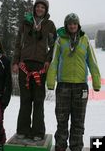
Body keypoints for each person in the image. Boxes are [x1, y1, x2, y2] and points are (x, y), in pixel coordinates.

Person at [47, 13, 101, 151]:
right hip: (63, 85)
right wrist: (51, 81)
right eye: (70, 23)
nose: (72, 26)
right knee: (62, 119)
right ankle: (60, 146)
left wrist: (96, 82)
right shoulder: (60, 40)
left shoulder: (85, 40)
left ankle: (76, 147)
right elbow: (54, 61)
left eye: (75, 23)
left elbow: (92, 62)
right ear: (66, 25)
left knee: (78, 120)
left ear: (78, 25)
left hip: (81, 86)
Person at [12, 0, 56, 141]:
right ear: (34, 8)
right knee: (25, 99)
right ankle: (23, 130)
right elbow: (18, 44)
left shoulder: (50, 25)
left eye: (43, 7)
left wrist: (48, 60)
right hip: (24, 65)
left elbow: (53, 46)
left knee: (38, 100)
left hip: (40, 65)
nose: (40, 9)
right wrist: (15, 61)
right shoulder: (26, 23)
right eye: (38, 6)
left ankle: (38, 132)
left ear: (46, 10)